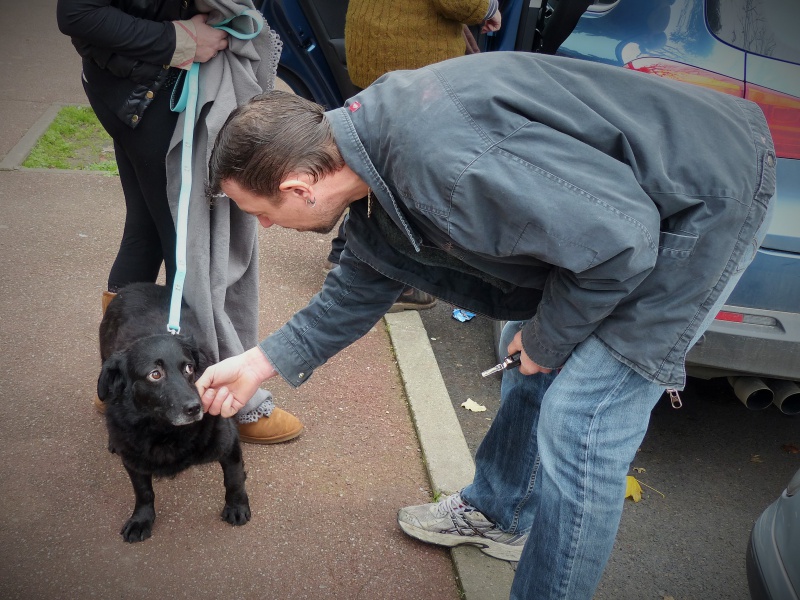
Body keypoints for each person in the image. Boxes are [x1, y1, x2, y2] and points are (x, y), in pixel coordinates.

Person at [196, 52, 775, 599]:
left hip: (704, 199)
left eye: (260, 213)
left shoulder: (447, 166)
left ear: (300, 187)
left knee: (581, 421)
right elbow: (358, 285)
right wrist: (255, 363)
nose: (266, 228)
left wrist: (547, 338)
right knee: (524, 349)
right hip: (629, 215)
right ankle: (499, 514)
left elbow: (620, 247)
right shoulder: (366, 153)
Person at [56, 0, 303, 444]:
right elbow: (77, 13)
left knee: (148, 227)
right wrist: (180, 40)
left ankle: (117, 380)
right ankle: (224, 395)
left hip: (130, 82)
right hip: (154, 84)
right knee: (191, 247)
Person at [323, 0, 502, 312]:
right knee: (403, 169)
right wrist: (489, 8)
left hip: (375, 43)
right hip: (411, 56)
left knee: (373, 156)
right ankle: (392, 279)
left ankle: (347, 252)